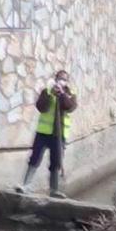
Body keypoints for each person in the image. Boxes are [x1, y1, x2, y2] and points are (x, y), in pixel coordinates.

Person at [16, 70, 77, 198]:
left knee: (56, 161)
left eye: (64, 79)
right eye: (60, 78)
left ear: (67, 82)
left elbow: (70, 107)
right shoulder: (47, 91)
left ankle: (54, 190)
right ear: (55, 79)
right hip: (44, 132)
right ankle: (26, 185)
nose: (61, 81)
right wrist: (51, 95)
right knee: (35, 158)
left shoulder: (70, 94)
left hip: (59, 134)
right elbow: (41, 107)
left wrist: (62, 95)